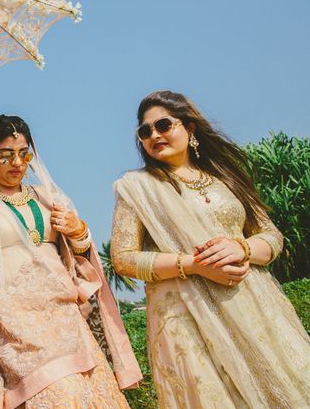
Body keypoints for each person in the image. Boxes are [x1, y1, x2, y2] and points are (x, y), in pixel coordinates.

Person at [111, 90, 310, 408]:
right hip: (187, 317)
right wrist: (193, 264)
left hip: (254, 306)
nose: (154, 135)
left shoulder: (226, 177)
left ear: (189, 128)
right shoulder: (137, 188)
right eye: (145, 131)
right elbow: (124, 259)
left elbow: (271, 236)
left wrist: (241, 248)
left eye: (163, 124)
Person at [0, 115, 142, 409]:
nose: (18, 164)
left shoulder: (48, 197)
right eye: (6, 156)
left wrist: (79, 232)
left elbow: (81, 258)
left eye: (24, 155)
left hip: (67, 325)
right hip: (10, 334)